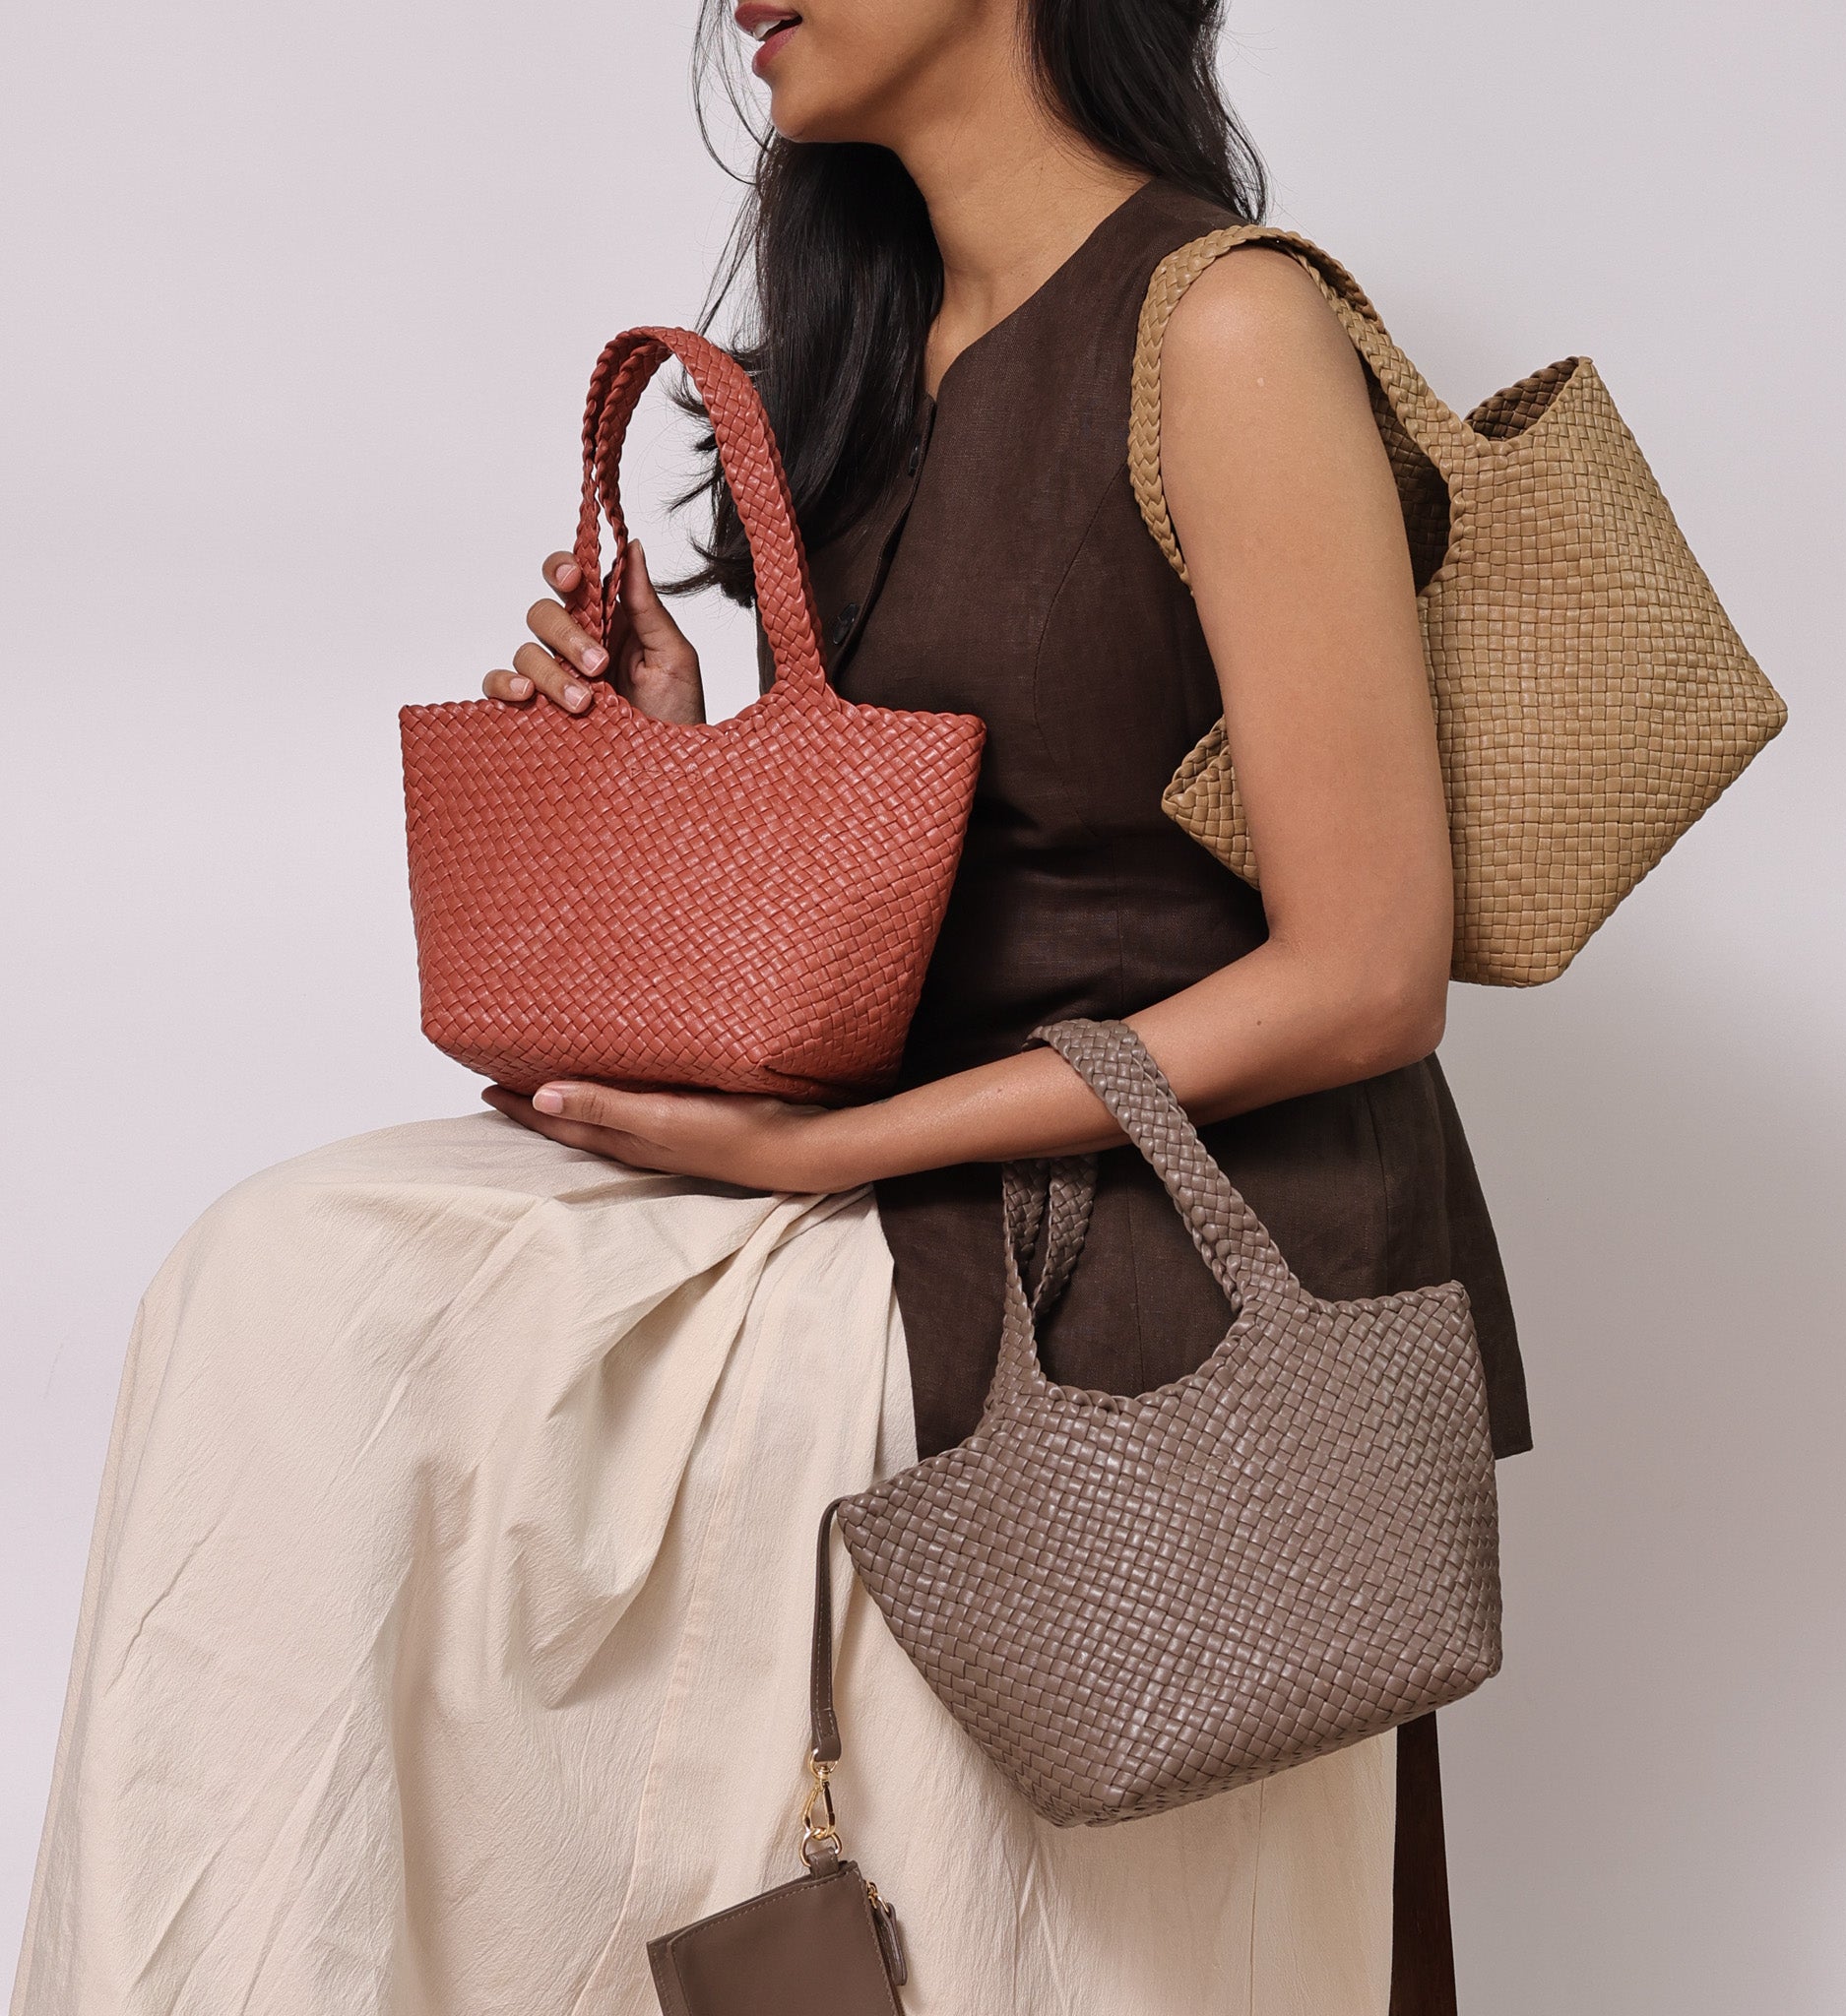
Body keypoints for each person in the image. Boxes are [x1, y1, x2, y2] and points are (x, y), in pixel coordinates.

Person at [11, 1, 1529, 2010]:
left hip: (1160, 1215)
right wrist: (689, 772)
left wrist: (831, 1151)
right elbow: (971, 851)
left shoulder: (1224, 326)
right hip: (924, 1169)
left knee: (330, 1285)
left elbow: (1366, 976)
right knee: (289, 1273)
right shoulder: (890, 354)